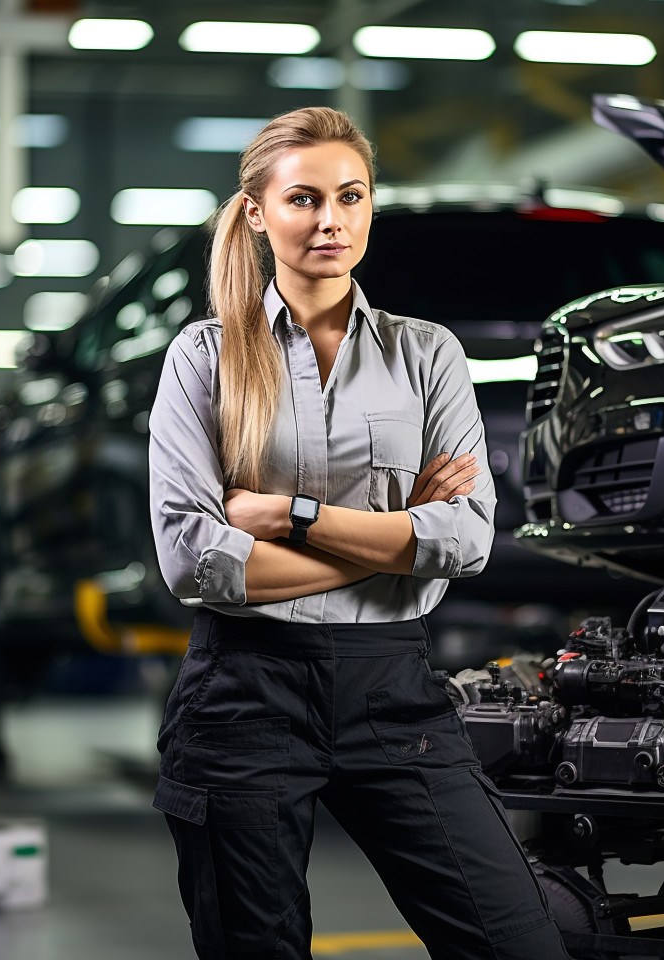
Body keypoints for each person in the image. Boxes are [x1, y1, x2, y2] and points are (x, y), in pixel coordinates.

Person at [149, 106, 570, 960]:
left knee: (518, 944)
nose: (330, 220)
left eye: (351, 195)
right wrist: (393, 548)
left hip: (394, 693)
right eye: (303, 198)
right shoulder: (205, 358)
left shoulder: (428, 356)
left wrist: (292, 517)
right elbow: (194, 560)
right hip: (244, 692)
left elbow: (467, 540)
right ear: (259, 213)